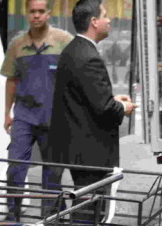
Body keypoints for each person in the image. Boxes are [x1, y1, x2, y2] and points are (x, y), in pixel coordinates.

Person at [47, 0, 135, 198]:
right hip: (91, 153)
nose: (109, 20)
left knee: (87, 206)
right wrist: (123, 107)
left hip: (80, 150)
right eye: (105, 15)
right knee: (91, 211)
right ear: (94, 22)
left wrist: (113, 99)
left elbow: (85, 97)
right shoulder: (88, 57)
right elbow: (103, 108)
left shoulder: (74, 50)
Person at [0, 0, 71, 220]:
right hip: (24, 117)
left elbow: (75, 77)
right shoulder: (17, 44)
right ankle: (13, 216)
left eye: (41, 11)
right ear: (27, 14)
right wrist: (7, 113)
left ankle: (50, 221)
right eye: (32, 12)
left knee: (52, 172)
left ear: (49, 13)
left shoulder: (63, 41)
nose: (36, 16)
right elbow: (11, 80)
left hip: (54, 117)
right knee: (15, 167)